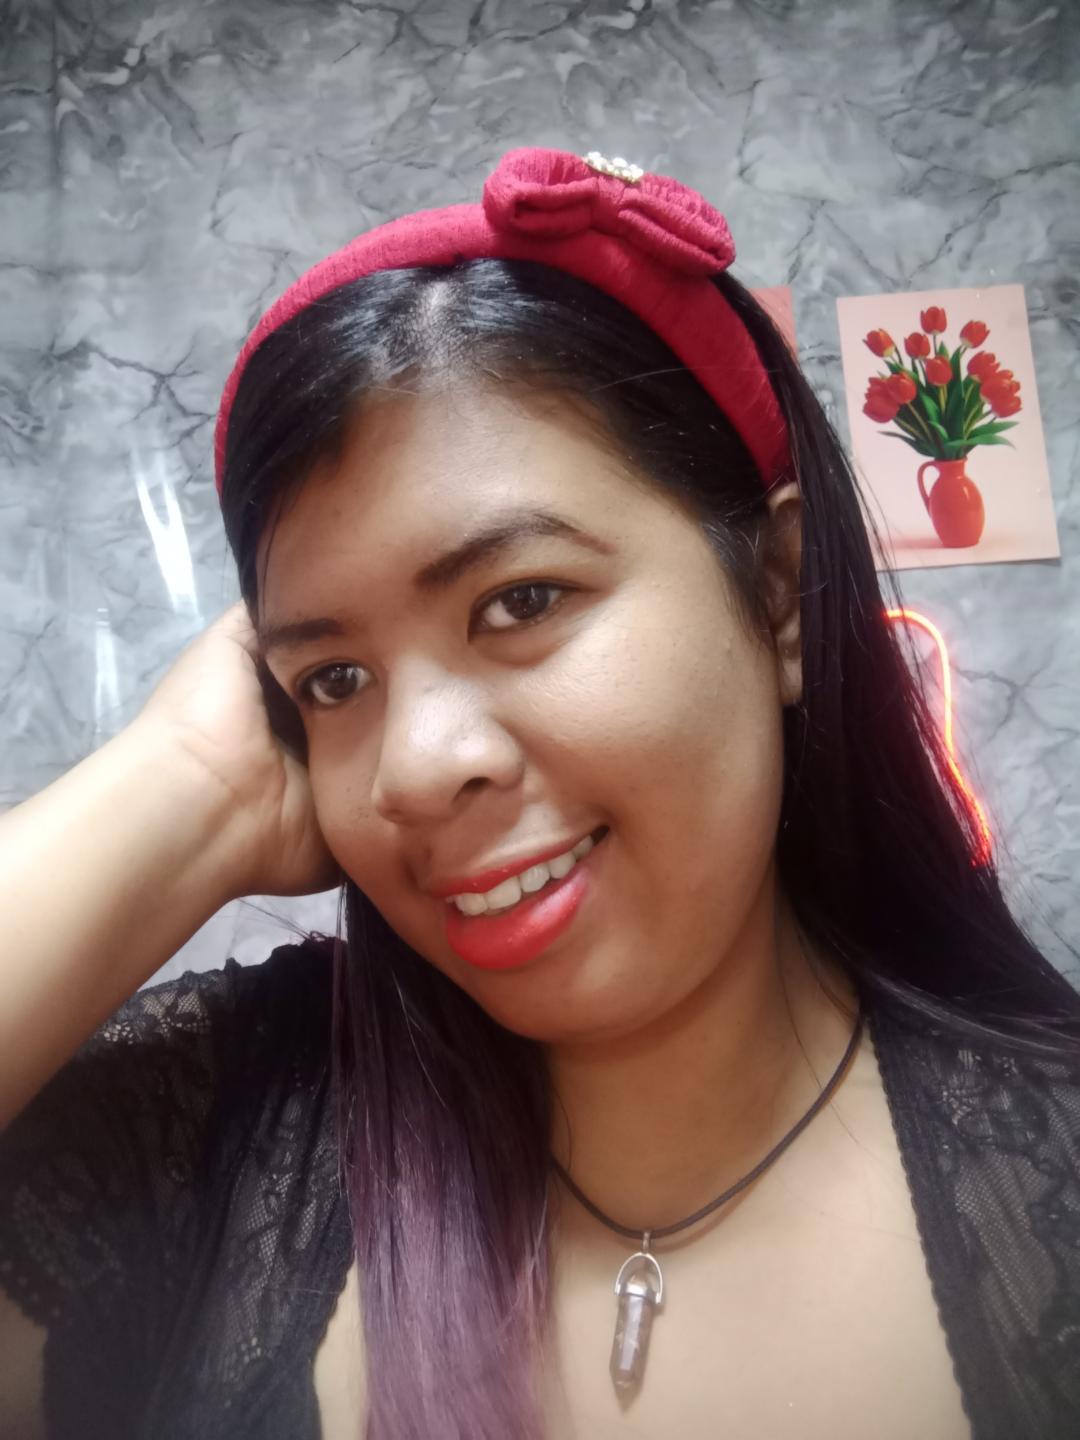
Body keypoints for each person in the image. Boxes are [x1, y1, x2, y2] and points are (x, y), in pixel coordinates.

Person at [1, 147, 1078, 1440]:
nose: (411, 768)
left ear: (779, 594)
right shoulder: (212, 1134)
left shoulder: (1052, 1175)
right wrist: (194, 785)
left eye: (520, 601)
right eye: (334, 680)